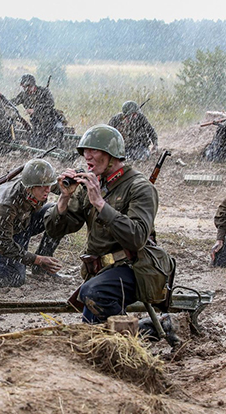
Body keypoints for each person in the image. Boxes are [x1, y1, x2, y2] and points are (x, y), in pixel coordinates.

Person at [44, 124, 173, 324]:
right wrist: (64, 199)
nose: (87, 156)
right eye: (85, 151)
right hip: (100, 272)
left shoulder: (139, 187)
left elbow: (137, 238)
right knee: (91, 330)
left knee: (94, 294)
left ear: (112, 155)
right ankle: (147, 328)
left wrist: (100, 203)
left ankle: (141, 331)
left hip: (134, 267)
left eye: (94, 150)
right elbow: (56, 230)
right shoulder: (94, 184)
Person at [0, 158, 64, 287]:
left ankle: (43, 266)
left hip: (22, 224)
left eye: (49, 185)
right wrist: (36, 259)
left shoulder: (38, 183)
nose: (48, 190)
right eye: (43, 187)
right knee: (13, 278)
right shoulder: (6, 204)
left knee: (57, 215)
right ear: (29, 188)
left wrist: (75, 182)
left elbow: (62, 188)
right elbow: (4, 244)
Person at [11, 74, 63, 148]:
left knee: (51, 144)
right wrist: (1, 100)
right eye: (23, 87)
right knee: (35, 144)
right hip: (37, 124)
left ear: (31, 86)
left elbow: (51, 103)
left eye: (26, 87)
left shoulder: (44, 91)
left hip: (50, 122)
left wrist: (35, 110)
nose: (25, 89)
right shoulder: (24, 95)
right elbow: (14, 102)